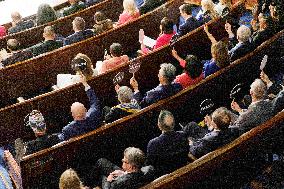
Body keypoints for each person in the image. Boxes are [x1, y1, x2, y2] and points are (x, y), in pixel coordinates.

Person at [58, 74, 102, 141]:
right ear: (86, 110)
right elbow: (94, 101)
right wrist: (85, 84)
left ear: (72, 115)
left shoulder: (68, 130)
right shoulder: (95, 114)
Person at [146, 110, 189, 176]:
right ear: (174, 124)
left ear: (159, 125)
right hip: (185, 173)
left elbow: (149, 165)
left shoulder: (154, 144)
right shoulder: (183, 135)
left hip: (163, 179)